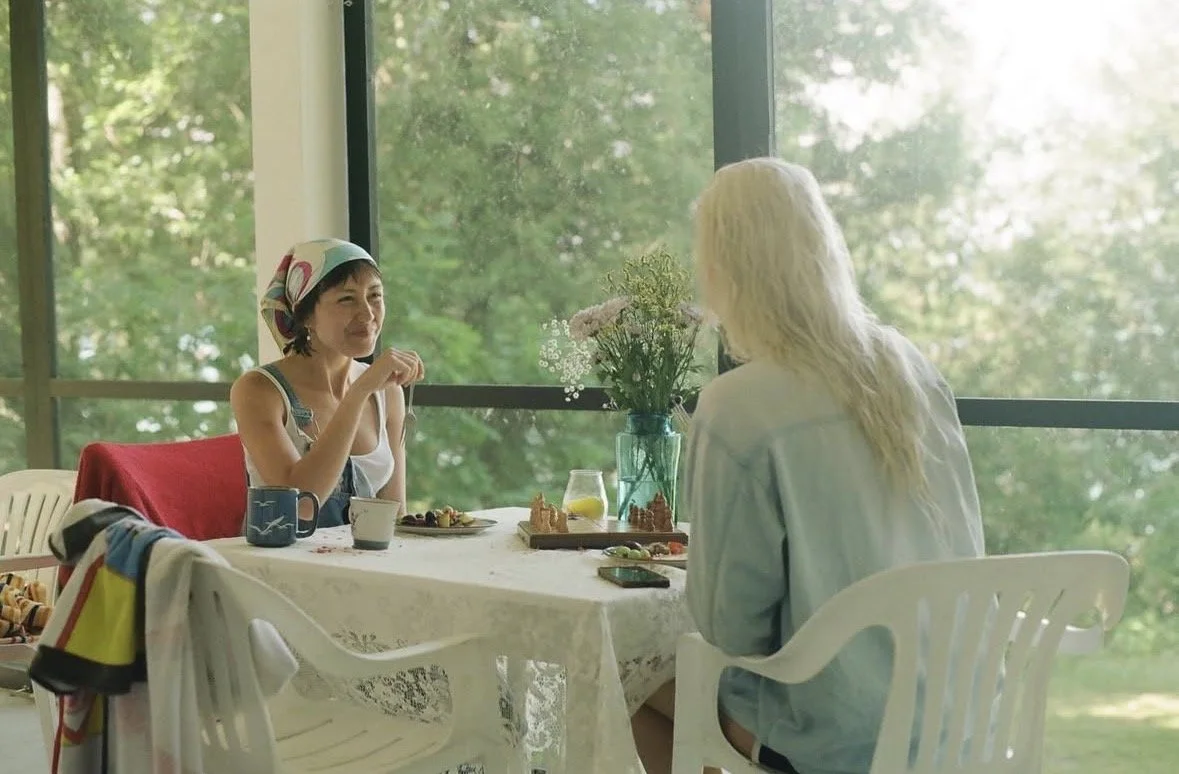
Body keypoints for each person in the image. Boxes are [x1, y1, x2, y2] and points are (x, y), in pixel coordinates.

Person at [630, 158, 986, 774]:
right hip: (956, 718)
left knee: (627, 690)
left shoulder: (738, 405)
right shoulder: (911, 368)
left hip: (836, 738)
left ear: (725, 268)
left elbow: (729, 632)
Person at [231, 238, 424, 529]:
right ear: (305, 314)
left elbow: (394, 515)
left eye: (375, 296)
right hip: (281, 567)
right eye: (347, 299)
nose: (368, 314)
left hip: (363, 565)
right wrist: (359, 392)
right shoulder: (258, 390)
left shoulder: (387, 393)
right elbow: (300, 507)